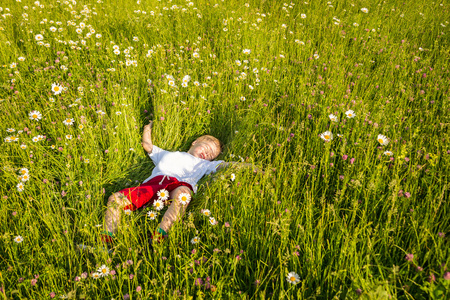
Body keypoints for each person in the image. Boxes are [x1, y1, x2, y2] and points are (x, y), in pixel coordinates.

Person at [101, 120, 233, 244]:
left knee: (183, 195)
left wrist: (252, 167)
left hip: (178, 186)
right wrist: (147, 128)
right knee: (115, 199)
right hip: (154, 184)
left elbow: (226, 165)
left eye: (211, 155)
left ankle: (159, 235)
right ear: (195, 142)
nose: (207, 153)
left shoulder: (203, 164)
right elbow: (148, 146)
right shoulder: (167, 154)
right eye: (207, 147)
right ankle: (107, 240)